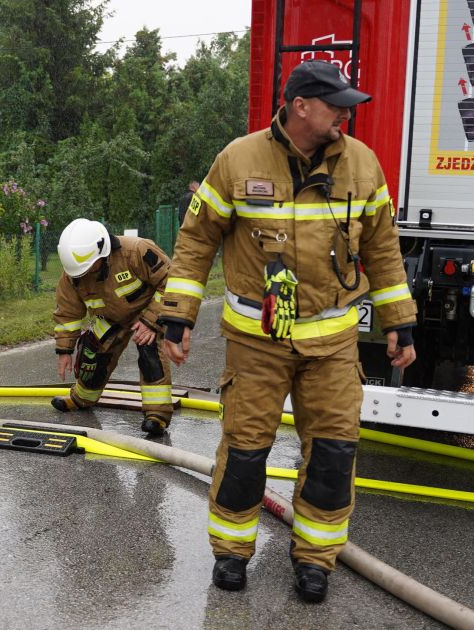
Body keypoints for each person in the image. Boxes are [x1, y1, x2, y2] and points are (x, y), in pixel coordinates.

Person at [158, 60, 417, 602]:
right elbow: (196, 241)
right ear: (300, 106)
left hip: (333, 345)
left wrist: (400, 322)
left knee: (332, 455)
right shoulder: (238, 159)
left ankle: (315, 561)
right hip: (257, 343)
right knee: (246, 454)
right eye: (336, 105)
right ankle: (231, 555)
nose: (346, 115)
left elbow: (384, 251)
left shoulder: (362, 166)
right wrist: (177, 314)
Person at [51, 218, 175, 436]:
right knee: (92, 354)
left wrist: (152, 321)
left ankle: (158, 415)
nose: (84, 274)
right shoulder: (73, 275)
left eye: (88, 267)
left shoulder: (137, 251)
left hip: (148, 313)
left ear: (103, 252)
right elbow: (67, 313)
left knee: (150, 354)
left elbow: (172, 281)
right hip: (109, 318)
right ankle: (82, 399)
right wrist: (65, 350)